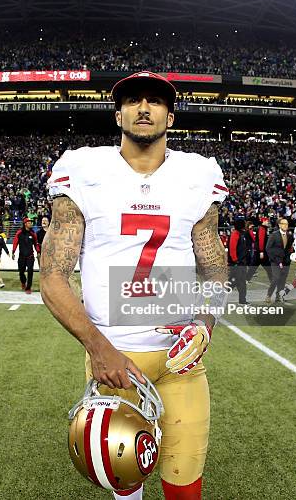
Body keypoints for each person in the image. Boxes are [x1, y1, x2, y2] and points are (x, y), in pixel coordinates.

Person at [40, 71, 229, 500]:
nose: (144, 108)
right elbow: (52, 276)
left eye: (156, 101)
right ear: (118, 114)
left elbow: (215, 266)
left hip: (180, 362)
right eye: (133, 100)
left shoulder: (198, 173)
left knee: (186, 485)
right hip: (115, 358)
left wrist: (205, 321)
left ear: (171, 116)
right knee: (125, 483)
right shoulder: (83, 168)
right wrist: (97, 347)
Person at [265, 217, 293, 303]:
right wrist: (275, 259)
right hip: (275, 261)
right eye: (284, 224)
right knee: (276, 278)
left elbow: (289, 249)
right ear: (280, 225)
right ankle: (269, 295)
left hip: (286, 261)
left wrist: (289, 258)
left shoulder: (289, 236)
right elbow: (268, 248)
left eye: (287, 224)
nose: (285, 225)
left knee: (283, 279)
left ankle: (279, 296)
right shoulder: (274, 235)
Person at [12, 217, 40, 294]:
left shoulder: (33, 233)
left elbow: (36, 244)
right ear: (25, 224)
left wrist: (38, 252)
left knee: (30, 271)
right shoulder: (19, 233)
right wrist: (13, 252)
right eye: (29, 222)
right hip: (21, 257)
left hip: (30, 257)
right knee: (21, 272)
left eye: (31, 222)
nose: (30, 224)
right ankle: (23, 282)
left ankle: (28, 288)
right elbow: (15, 242)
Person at [229, 218, 248, 304]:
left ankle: (242, 300)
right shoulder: (235, 234)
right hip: (237, 263)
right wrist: (235, 260)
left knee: (238, 282)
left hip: (241, 263)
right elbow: (232, 249)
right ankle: (217, 300)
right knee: (235, 283)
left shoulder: (241, 234)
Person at [246, 217, 271, 283]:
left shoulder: (262, 228)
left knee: (253, 268)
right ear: (263, 222)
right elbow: (261, 241)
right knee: (269, 268)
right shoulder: (262, 229)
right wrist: (261, 251)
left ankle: (246, 279)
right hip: (260, 252)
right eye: (267, 221)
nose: (268, 222)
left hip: (258, 252)